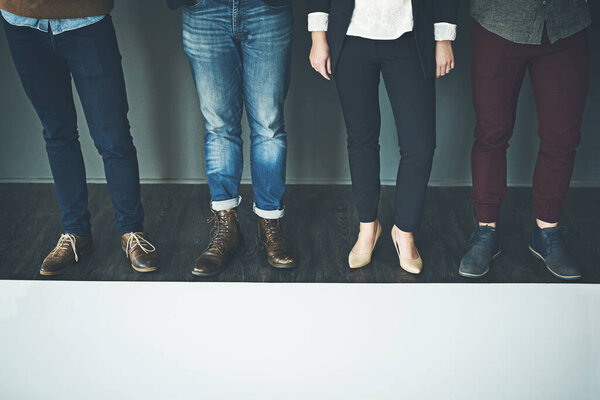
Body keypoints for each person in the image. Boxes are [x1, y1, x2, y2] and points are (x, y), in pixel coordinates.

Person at [1, 0, 160, 275]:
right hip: (22, 19)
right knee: (57, 133)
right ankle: (75, 233)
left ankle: (132, 231)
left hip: (85, 18)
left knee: (113, 137)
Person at [308, 0, 458, 273]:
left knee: (420, 145)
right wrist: (318, 37)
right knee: (361, 139)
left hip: (410, 35)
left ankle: (404, 231)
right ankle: (368, 227)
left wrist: (444, 37)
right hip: (351, 35)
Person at [459, 0, 591, 280]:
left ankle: (547, 232)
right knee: (490, 133)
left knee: (562, 136)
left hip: (566, 24)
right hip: (498, 21)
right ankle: (486, 230)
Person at [167, 0, 295, 276]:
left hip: (267, 8)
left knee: (269, 125)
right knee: (218, 126)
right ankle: (226, 227)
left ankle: (269, 223)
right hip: (204, 9)